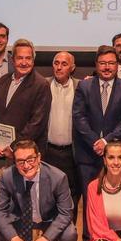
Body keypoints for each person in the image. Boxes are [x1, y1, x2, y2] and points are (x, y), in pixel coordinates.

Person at [72, 47, 121, 241]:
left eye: (111, 63)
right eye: (103, 63)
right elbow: (78, 117)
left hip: (114, 156)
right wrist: (95, 141)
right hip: (88, 154)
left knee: (113, 201)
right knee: (91, 202)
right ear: (96, 65)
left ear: (118, 66)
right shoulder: (84, 86)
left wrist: (106, 141)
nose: (107, 67)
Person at [0, 39, 51, 165]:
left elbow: (36, 123)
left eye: (28, 58)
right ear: (13, 60)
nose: (24, 62)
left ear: (33, 61)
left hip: (26, 156)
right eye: (20, 58)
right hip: (0, 153)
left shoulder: (41, 85)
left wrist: (13, 147)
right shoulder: (3, 81)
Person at [44, 51, 79, 231]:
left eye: (64, 64)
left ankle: (69, 235)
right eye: (56, 63)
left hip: (72, 152)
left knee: (72, 196)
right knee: (47, 196)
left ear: (72, 67)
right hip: (48, 151)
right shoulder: (43, 85)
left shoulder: (81, 87)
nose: (59, 67)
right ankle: (48, 238)